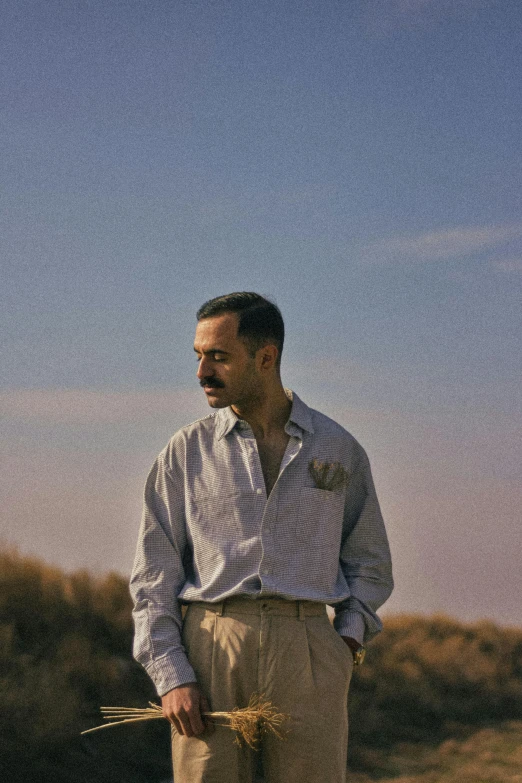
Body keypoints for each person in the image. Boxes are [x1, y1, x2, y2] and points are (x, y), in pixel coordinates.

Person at [130, 292, 393, 783]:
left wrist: (347, 640)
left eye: (219, 356)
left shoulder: (339, 449)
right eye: (199, 355)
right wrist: (173, 676)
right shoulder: (185, 452)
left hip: (309, 652)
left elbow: (371, 561)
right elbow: (153, 575)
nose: (202, 371)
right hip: (212, 649)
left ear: (266, 358)